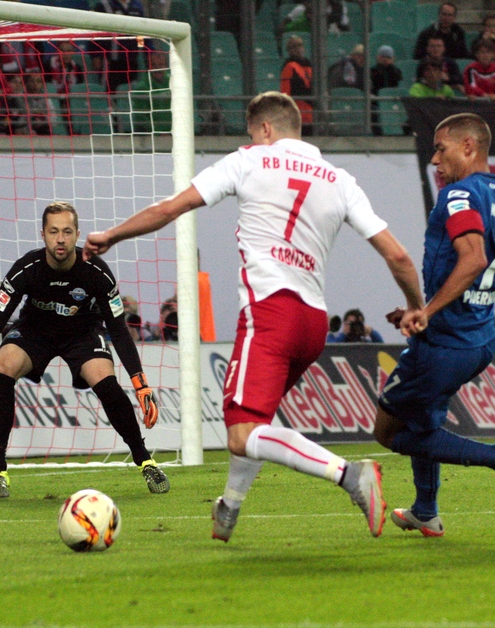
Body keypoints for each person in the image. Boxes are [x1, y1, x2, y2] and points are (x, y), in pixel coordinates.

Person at [82, 91, 427, 541]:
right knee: (253, 424)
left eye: (251, 132)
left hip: (270, 313)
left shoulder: (250, 160)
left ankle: (350, 475)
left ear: (264, 129)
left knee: (243, 432)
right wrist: (417, 306)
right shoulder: (339, 179)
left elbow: (170, 208)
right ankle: (229, 508)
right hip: (314, 324)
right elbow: (399, 255)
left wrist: (112, 235)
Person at [374, 113, 495, 538]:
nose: (435, 159)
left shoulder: (458, 196)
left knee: (387, 430)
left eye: (441, 148)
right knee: (424, 421)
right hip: (479, 337)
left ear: (468, 147)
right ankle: (425, 511)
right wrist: (425, 306)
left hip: (446, 341)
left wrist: (428, 312)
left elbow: (473, 259)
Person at [0, 201, 170, 499]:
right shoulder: (26, 269)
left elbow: (118, 330)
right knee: (3, 367)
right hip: (34, 332)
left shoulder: (96, 272)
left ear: (77, 234)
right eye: (54, 231)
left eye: (67, 231)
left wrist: (140, 382)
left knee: (105, 381)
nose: (60, 239)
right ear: (42, 234)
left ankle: (145, 460)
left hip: (82, 333)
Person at [92, 0, 146, 92]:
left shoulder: (137, 7)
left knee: (130, 96)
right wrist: (96, 55)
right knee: (111, 95)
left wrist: (140, 48)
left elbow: (141, 32)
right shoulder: (103, 6)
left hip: (132, 61)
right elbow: (94, 32)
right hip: (111, 62)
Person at [280, 35, 315, 135]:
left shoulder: (309, 65)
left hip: (310, 114)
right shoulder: (289, 66)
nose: (297, 49)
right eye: (293, 47)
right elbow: (285, 92)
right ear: (289, 50)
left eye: (299, 45)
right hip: (298, 113)